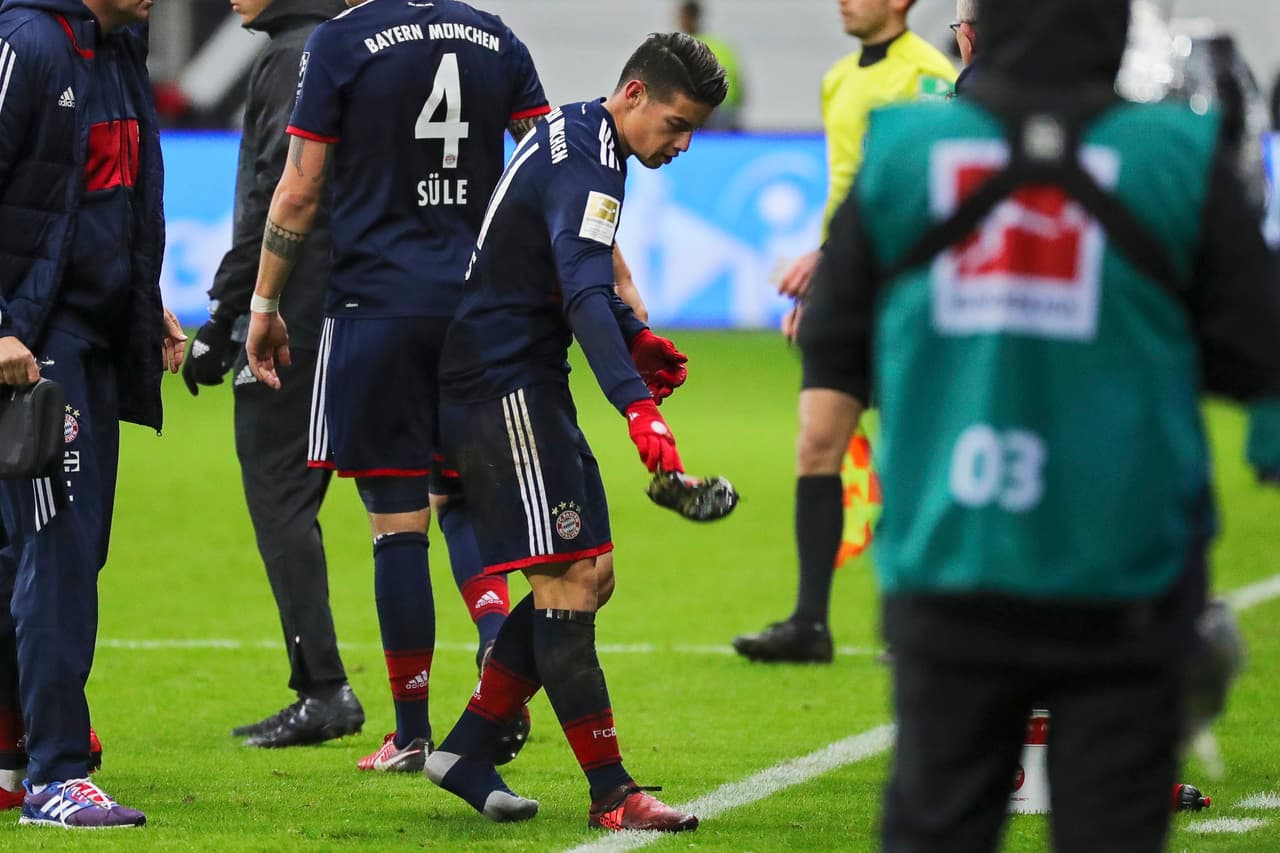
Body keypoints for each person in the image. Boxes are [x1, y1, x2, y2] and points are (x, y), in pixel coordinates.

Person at [801, 0, 1280, 848]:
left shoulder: (904, 149)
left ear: (982, 25)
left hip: (951, 556)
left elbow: (834, 343)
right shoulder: (1172, 153)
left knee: (935, 826)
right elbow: (1258, 354)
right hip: (1124, 570)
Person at [421, 33, 724, 833]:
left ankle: (466, 746)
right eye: (678, 125)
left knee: (593, 572)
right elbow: (584, 290)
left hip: (521, 375)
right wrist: (636, 404)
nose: (682, 146)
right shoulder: (591, 161)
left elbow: (566, 275)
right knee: (565, 581)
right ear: (635, 95)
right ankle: (612, 791)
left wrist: (633, 334)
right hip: (502, 383)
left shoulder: (581, 135)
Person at [244, 0, 550, 772]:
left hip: (376, 308)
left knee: (397, 523)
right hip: (478, 308)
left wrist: (265, 302)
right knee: (463, 494)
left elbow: (299, 190)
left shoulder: (341, 41)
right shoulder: (495, 36)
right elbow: (550, 164)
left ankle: (411, 732)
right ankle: (494, 639)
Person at [0, 0, 187, 829]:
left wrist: (147, 304)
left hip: (98, 338)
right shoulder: (28, 44)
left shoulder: (119, 47)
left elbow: (107, 200)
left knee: (51, 551)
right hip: (40, 343)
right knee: (59, 552)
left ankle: (14, 759)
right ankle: (56, 773)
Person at [733, 0, 956, 664]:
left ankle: (915, 618)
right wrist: (823, 281)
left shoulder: (928, 76)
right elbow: (843, 197)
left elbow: (919, 190)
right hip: (842, 282)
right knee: (817, 445)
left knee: (909, 453)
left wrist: (827, 261)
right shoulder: (836, 78)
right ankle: (810, 623)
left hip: (901, 288)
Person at [181, 0, 368, 751]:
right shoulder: (351, 44)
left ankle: (324, 690)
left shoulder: (296, 55)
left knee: (280, 492)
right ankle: (489, 686)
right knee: (423, 494)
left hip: (296, 316)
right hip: (370, 305)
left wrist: (227, 314)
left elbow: (278, 194)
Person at [676, 1, 744, 130]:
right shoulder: (721, 45)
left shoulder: (685, 48)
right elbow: (739, 83)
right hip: (728, 107)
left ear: (688, 18)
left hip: (709, 109)